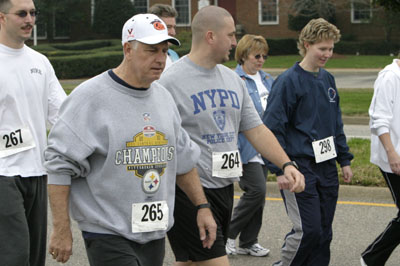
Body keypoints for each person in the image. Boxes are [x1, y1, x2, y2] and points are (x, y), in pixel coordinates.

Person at [44, 13, 216, 266]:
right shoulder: (90, 97)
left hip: (153, 232)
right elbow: (59, 165)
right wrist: (61, 229)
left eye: (164, 51)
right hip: (107, 232)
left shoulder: (164, 99)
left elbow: (183, 161)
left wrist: (202, 207)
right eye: (151, 50)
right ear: (128, 49)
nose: (160, 59)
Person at [158, 6, 305, 266]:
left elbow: (256, 129)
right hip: (189, 193)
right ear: (211, 36)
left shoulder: (232, 80)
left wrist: (286, 163)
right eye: (231, 35)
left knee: (192, 261)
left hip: (225, 188)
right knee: (215, 261)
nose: (235, 42)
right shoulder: (169, 82)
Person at [262, 18, 354, 266]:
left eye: (331, 49)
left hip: (326, 166)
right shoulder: (288, 81)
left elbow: (336, 124)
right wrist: (279, 168)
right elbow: (272, 128)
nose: (328, 54)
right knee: (308, 230)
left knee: (324, 233)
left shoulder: (328, 80)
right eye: (322, 49)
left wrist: (344, 160)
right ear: (306, 44)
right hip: (299, 167)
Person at [0, 0, 66, 265]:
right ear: (2, 18)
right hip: (3, 174)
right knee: (14, 256)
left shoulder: (40, 62)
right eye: (22, 14)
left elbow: (62, 114)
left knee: (35, 256)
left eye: (33, 13)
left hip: (37, 171)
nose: (29, 19)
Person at [225, 34, 274, 257]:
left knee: (260, 196)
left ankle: (249, 241)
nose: (261, 60)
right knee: (256, 190)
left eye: (264, 56)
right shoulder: (234, 79)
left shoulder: (268, 80)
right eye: (256, 56)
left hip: (265, 147)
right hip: (245, 147)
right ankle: (227, 235)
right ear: (244, 55)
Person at [360, 56, 400, 266]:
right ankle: (371, 258)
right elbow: (379, 119)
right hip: (393, 158)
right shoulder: (389, 77)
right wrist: (392, 154)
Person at [149, 3, 179, 70]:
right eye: (168, 27)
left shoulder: (173, 54)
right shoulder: (143, 58)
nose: (173, 33)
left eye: (174, 27)